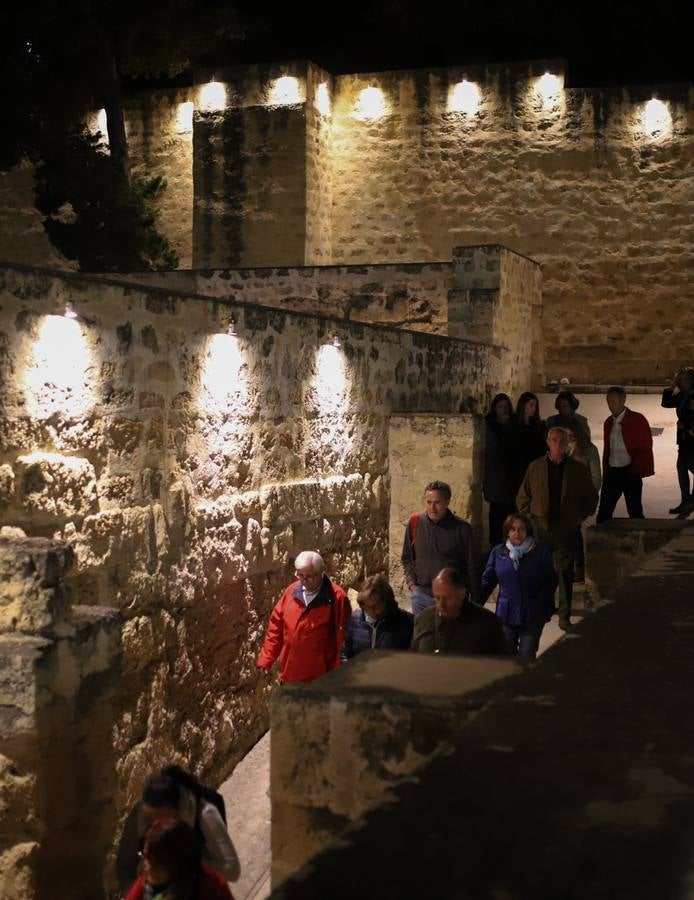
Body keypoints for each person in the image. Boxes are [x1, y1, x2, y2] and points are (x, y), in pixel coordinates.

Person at [516, 427, 598, 630]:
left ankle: (564, 614)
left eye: (561, 441)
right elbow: (523, 496)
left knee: (564, 572)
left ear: (567, 443)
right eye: (554, 440)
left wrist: (581, 516)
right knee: (540, 571)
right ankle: (542, 608)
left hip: (565, 528)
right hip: (541, 528)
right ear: (547, 442)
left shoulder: (577, 469)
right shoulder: (535, 467)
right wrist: (531, 517)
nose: (558, 444)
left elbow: (590, 496)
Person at [116, 769, 239, 893]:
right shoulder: (140, 816)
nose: (153, 828)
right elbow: (126, 868)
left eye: (160, 820)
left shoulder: (205, 814)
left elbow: (231, 869)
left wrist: (179, 864)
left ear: (177, 813)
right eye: (150, 820)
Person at [256, 550, 351, 683]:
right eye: (300, 575)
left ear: (321, 572)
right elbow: (276, 627)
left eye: (309, 577)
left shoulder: (337, 598)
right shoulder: (291, 592)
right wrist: (266, 659)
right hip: (290, 675)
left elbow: (343, 640)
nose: (304, 581)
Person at [481, 513, 557, 657]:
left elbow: (550, 579)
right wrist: (476, 602)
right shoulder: (498, 552)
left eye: (521, 529)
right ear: (507, 532)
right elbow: (488, 580)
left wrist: (541, 602)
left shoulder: (540, 551)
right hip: (506, 613)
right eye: (513, 529)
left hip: (532, 612)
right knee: (507, 654)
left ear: (527, 530)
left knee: (526, 654)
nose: (517, 533)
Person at [401, 480, 480, 616]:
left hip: (451, 597)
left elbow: (471, 565)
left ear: (447, 502)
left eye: (437, 503)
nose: (432, 507)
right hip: (421, 595)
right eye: (428, 502)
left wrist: (475, 600)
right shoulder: (415, 523)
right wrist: (412, 584)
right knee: (423, 630)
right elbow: (407, 557)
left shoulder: (462, 529)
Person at [124, 819, 233, 900]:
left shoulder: (212, 890)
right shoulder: (147, 882)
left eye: (154, 863)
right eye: (144, 855)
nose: (144, 865)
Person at [411, 568, 505, 655]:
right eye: (437, 598)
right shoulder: (422, 620)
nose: (441, 605)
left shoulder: (488, 623)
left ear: (462, 594)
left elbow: (501, 662)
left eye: (447, 598)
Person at [596, 387, 655, 523]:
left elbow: (645, 446)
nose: (610, 405)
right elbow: (608, 449)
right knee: (604, 513)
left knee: (635, 512)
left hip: (631, 472)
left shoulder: (637, 419)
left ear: (623, 401)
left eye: (613, 401)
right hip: (612, 473)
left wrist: (636, 470)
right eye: (608, 401)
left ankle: (640, 536)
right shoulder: (608, 422)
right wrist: (606, 470)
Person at [341, 574, 414, 661]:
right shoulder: (355, 620)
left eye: (376, 606)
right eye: (367, 606)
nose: (372, 611)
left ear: (387, 602)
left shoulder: (406, 621)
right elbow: (344, 653)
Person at [564, 421, 601, 582]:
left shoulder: (589, 450)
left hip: (579, 498)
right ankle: (568, 567)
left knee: (574, 532)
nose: (569, 438)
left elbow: (596, 477)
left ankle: (578, 568)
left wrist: (590, 499)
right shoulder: (563, 448)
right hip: (564, 498)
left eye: (571, 435)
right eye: (566, 435)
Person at [483, 393, 518, 546]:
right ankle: (496, 546)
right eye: (500, 406)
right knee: (496, 514)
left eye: (506, 406)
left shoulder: (515, 423)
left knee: (511, 514)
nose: (503, 409)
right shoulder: (489, 425)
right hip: (496, 478)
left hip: (512, 478)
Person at [661, 367, 694, 513]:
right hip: (684, 438)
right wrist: (672, 385)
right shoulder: (683, 394)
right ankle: (687, 501)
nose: (683, 382)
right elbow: (667, 403)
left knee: (684, 466)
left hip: (691, 438)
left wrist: (685, 425)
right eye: (681, 380)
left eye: (686, 379)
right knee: (682, 467)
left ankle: (688, 501)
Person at [512, 391, 547, 496]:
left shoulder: (539, 426)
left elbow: (542, 447)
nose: (534, 408)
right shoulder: (514, 424)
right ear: (523, 405)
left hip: (535, 468)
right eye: (531, 405)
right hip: (518, 468)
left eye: (535, 405)